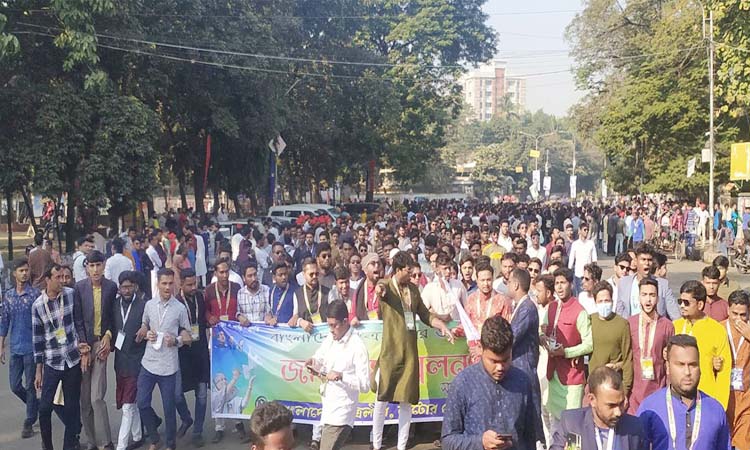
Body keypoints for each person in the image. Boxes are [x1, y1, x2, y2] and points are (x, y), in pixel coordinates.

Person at [371, 251, 454, 450]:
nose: (411, 275)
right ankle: (376, 444)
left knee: (406, 401)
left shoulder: (414, 290)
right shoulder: (387, 286)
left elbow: (425, 315)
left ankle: (402, 446)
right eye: (408, 271)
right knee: (381, 400)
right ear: (398, 270)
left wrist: (442, 326)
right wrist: (379, 291)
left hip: (409, 355)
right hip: (390, 353)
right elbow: (380, 288)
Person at [442, 315, 538, 450]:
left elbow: (530, 437)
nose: (500, 367)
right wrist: (480, 442)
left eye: (505, 360)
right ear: (481, 349)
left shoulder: (522, 381)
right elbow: (448, 441)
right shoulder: (463, 384)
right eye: (493, 361)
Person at [637, 334, 731, 449]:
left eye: (693, 365)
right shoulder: (650, 408)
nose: (687, 372)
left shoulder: (715, 410)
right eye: (680, 365)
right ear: (668, 367)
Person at [32, 263, 88, 450]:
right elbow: (38, 340)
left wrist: (83, 346)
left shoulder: (70, 294)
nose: (62, 281)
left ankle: (69, 445)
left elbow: (79, 322)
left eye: (64, 277)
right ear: (47, 280)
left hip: (72, 359)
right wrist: (38, 370)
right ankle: (47, 445)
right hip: (52, 362)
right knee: (45, 408)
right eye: (58, 277)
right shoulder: (38, 306)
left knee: (72, 407)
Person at [136, 268, 193, 450]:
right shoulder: (149, 305)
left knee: (169, 408)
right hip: (148, 362)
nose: (168, 287)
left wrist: (176, 340)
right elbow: (145, 323)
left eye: (170, 283)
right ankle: (155, 438)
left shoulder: (180, 308)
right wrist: (146, 332)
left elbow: (188, 336)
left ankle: (170, 444)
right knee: (141, 402)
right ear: (157, 284)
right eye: (164, 283)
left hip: (169, 366)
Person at [305, 300, 370, 450]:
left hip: (342, 413)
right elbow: (320, 356)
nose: (331, 330)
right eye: (329, 325)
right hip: (328, 408)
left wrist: (342, 376)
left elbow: (365, 385)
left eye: (334, 325)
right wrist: (313, 361)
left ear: (345, 322)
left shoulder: (357, 346)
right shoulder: (331, 338)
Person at [540, 267, 593, 438]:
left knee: (572, 426)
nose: (559, 287)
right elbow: (543, 330)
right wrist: (542, 338)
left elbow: (589, 344)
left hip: (572, 377)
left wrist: (566, 352)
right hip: (553, 373)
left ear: (571, 284)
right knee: (555, 423)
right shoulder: (552, 307)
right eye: (557, 283)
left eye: (563, 283)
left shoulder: (580, 311)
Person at [73, 250, 117, 450]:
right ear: (87, 268)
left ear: (104, 265)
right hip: (84, 346)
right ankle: (91, 441)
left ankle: (106, 442)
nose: (95, 269)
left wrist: (108, 335)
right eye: (91, 266)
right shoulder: (79, 288)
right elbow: (78, 320)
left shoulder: (111, 287)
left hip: (101, 345)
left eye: (98, 265)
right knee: (85, 399)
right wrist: (83, 347)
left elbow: (113, 317)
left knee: (96, 397)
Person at [551, 366, 647, 450]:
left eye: (621, 403)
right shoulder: (571, 423)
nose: (618, 412)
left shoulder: (634, 427)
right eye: (611, 405)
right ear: (592, 400)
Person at [672, 280, 732, 410]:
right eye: (680, 301)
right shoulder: (675, 326)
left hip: (706, 399)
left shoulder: (716, 330)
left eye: (686, 302)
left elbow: (724, 372)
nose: (682, 306)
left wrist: (720, 406)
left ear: (699, 304)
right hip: (676, 399)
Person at [0, 258, 42, 438]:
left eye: (26, 270)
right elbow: (4, 321)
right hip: (15, 348)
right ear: (14, 273)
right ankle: (35, 405)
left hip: (32, 348)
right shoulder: (8, 296)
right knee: (15, 385)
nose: (24, 273)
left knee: (31, 386)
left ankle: (29, 421)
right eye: (21, 270)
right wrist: (1, 346)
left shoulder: (35, 295)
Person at [109, 271, 147, 450]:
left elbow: (151, 326)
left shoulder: (143, 306)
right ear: (119, 288)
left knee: (127, 405)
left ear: (135, 287)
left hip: (137, 359)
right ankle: (138, 436)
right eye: (123, 287)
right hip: (120, 360)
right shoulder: (114, 305)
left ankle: (122, 445)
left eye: (130, 287)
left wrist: (146, 329)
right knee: (130, 402)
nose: (126, 290)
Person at [506, 268, 544, 446]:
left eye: (508, 282)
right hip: (518, 367)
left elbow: (511, 337)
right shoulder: (520, 306)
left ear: (515, 284)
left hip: (524, 368)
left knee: (530, 416)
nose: (507, 285)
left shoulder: (527, 308)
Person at [627, 277, 675, 414]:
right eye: (644, 295)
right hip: (634, 393)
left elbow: (670, 361)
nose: (648, 300)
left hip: (658, 390)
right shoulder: (630, 323)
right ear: (638, 297)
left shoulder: (667, 326)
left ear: (658, 298)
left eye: (652, 295)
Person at [175, 268, 211, 447]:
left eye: (194, 283)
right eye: (189, 285)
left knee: (202, 395)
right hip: (182, 355)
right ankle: (186, 418)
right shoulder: (175, 302)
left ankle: (197, 431)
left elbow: (206, 315)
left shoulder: (200, 297)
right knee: (176, 394)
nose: (193, 287)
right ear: (181, 284)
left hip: (201, 352)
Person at [588, 281, 633, 397]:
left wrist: (626, 389)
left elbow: (628, 358)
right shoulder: (589, 321)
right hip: (593, 384)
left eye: (607, 300)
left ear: (612, 301)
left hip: (613, 384)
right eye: (600, 301)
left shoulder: (622, 324)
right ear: (595, 302)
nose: (604, 304)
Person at [615, 243, 680, 320]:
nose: (647, 263)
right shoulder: (624, 283)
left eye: (649, 260)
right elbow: (619, 312)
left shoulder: (663, 285)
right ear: (635, 261)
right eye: (643, 259)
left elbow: (675, 315)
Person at [464, 262, 510, 355]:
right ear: (477, 280)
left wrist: (486, 351)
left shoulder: (502, 300)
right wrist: (454, 331)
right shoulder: (470, 300)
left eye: (488, 280)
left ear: (493, 279)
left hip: (494, 352)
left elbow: (506, 331)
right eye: (482, 280)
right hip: (473, 351)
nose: (486, 284)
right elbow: (465, 324)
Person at [724, 290, 750, 449]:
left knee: (743, 442)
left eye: (743, 315)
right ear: (728, 310)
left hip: (746, 399)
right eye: (735, 314)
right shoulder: (718, 329)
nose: (739, 319)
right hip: (723, 397)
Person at [421, 253, 467, 321]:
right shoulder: (430, 288)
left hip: (457, 324)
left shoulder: (458, 285)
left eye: (449, 268)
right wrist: (437, 316)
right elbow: (422, 310)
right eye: (445, 269)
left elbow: (467, 306)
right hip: (438, 325)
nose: (448, 271)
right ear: (437, 270)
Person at [291, 259, 330, 333]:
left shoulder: (327, 292)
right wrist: (300, 321)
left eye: (316, 274)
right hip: (305, 335)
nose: (314, 276)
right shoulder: (297, 293)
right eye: (311, 274)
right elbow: (295, 317)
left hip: (324, 334)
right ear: (304, 274)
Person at [205, 258, 241, 327]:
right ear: (215, 273)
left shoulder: (236, 288)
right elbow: (205, 309)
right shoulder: (209, 290)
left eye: (226, 272)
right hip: (217, 328)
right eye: (221, 272)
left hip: (234, 329)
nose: (225, 275)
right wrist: (209, 317)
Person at [567, 222, 597, 295]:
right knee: (580, 294)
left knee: (588, 293)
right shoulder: (575, 244)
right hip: (578, 273)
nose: (586, 231)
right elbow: (571, 259)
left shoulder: (591, 243)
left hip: (588, 274)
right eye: (584, 230)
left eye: (587, 230)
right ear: (580, 231)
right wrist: (569, 272)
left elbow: (594, 259)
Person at [353, 253, 383, 320]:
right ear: (365, 270)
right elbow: (353, 314)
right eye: (373, 263)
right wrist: (354, 319)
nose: (377, 266)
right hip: (365, 325)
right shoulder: (359, 290)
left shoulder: (385, 286)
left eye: (378, 263)